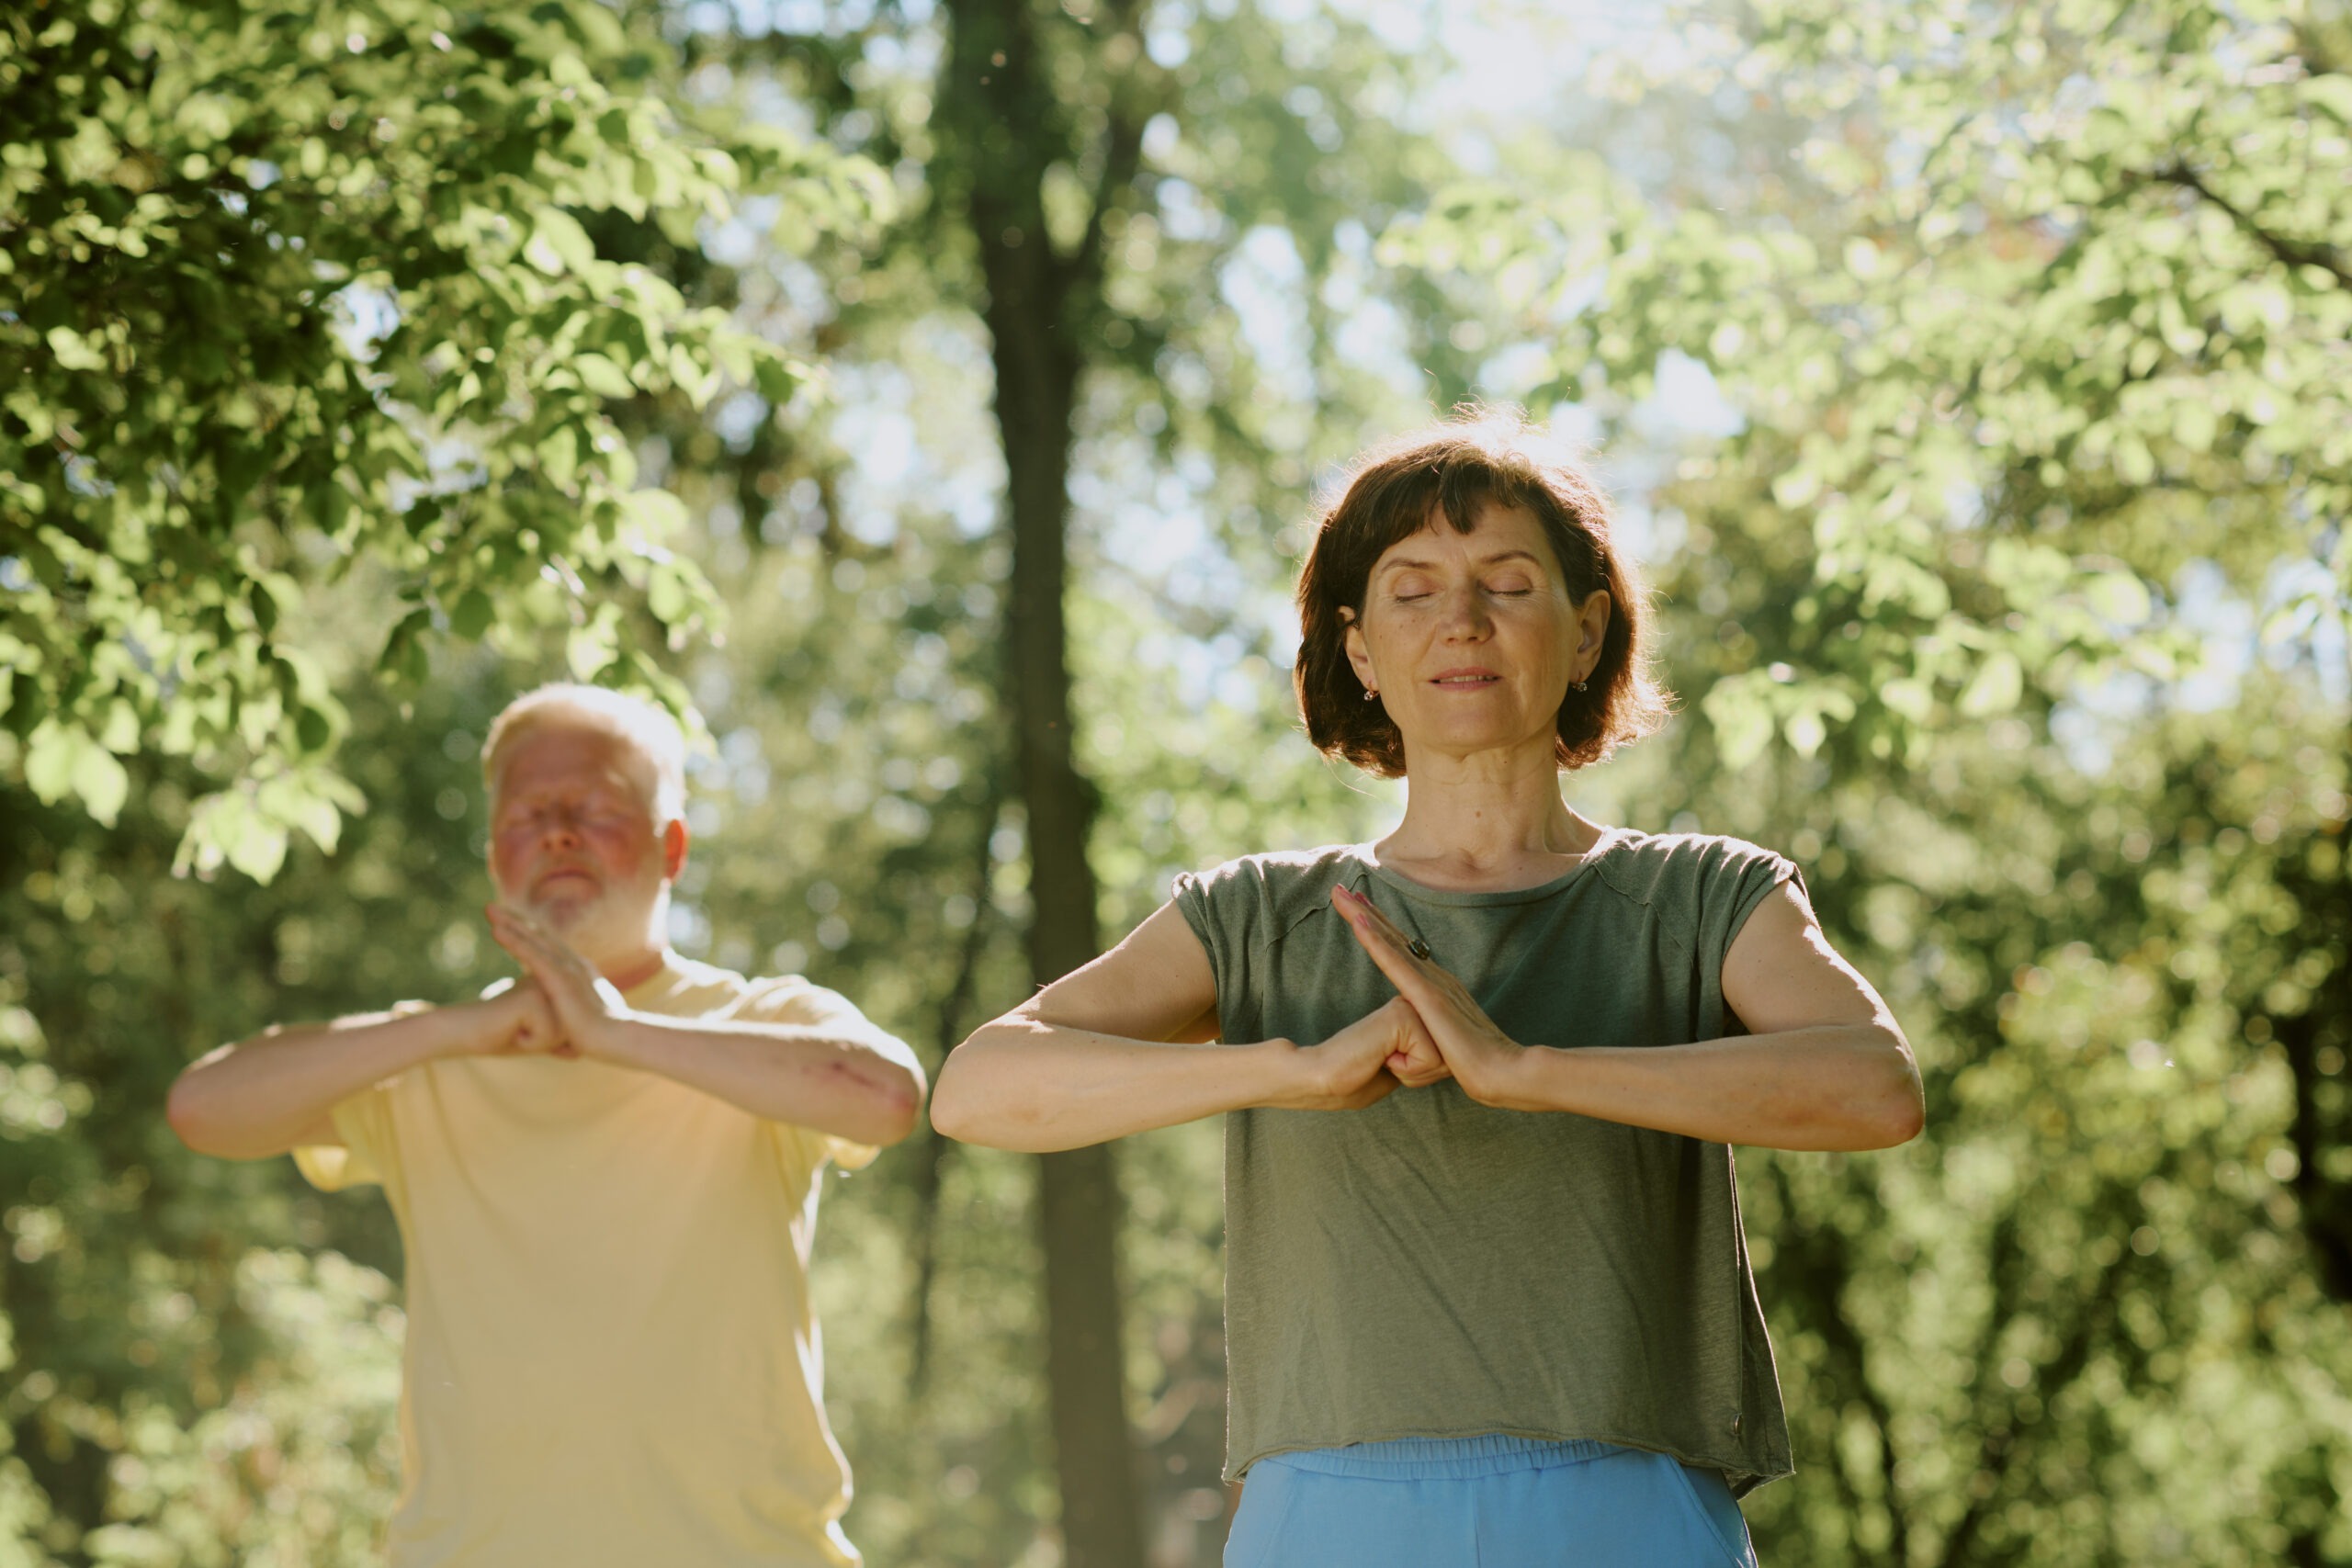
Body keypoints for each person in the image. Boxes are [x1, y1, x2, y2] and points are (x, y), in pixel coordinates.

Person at [930, 412, 1925, 1566]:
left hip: (1631, 1510)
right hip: (1327, 1516)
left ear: (1587, 630)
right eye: (1412, 590)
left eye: (1508, 583)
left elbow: (1876, 1088)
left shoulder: (1704, 896)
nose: (1462, 619)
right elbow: (977, 1089)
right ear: (1359, 651)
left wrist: (1525, 1070)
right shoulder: (1258, 915)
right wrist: (1290, 1071)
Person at [167, 683, 924, 1568]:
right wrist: (461, 1027)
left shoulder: (760, 1021)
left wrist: (618, 1034)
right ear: (495, 854)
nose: (560, 832)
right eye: (529, 815)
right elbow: (204, 1108)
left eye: (597, 807)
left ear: (672, 847)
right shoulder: (427, 1056)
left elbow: (886, 1097)